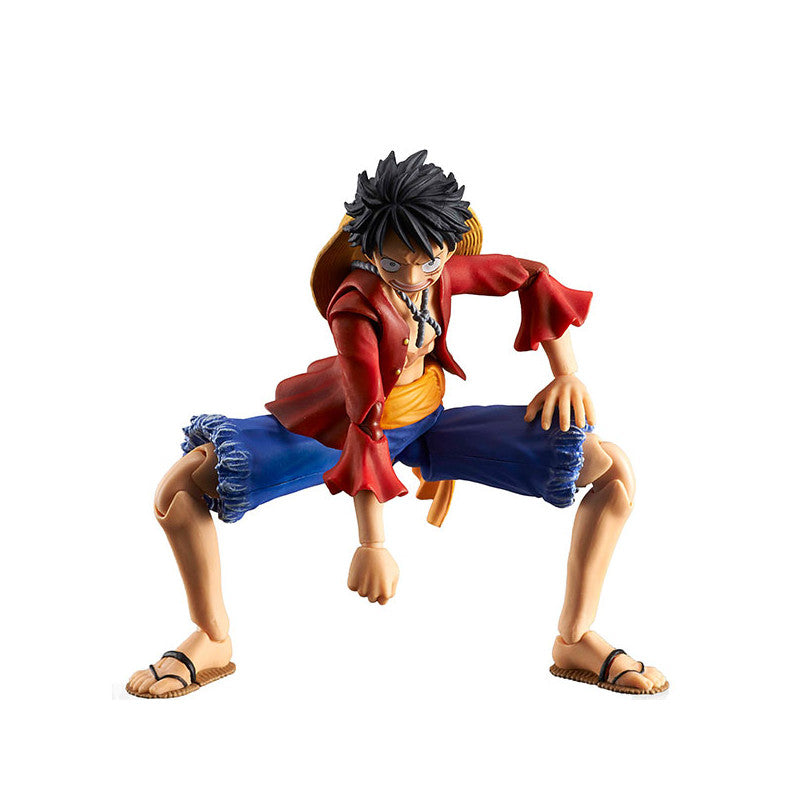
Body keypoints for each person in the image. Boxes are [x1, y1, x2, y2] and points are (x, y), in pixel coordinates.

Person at [126, 150, 667, 699]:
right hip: (340, 428)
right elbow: (365, 420)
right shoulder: (355, 306)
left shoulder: (440, 274)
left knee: (611, 468)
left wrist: (566, 373)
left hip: (427, 419)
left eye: (427, 261)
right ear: (368, 252)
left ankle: (576, 637)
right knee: (182, 485)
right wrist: (373, 542)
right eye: (392, 263)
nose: (411, 278)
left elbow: (532, 276)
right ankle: (211, 636)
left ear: (447, 246)